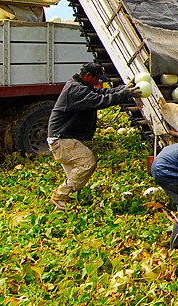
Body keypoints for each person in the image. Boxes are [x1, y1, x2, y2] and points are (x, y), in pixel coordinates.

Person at [47, 62, 141, 210]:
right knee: (87, 163)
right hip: (62, 139)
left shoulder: (81, 86)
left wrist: (123, 88)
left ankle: (67, 199)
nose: (99, 82)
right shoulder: (76, 90)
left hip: (63, 137)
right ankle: (59, 196)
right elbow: (99, 101)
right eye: (97, 78)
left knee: (75, 174)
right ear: (87, 76)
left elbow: (101, 93)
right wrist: (126, 94)